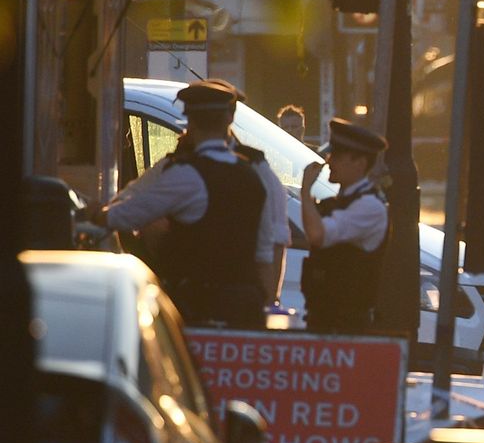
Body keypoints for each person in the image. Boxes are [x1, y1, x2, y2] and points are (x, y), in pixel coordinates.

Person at [94, 79, 272, 328]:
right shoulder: (253, 174)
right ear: (227, 122)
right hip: (245, 312)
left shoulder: (187, 175)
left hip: (199, 309)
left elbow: (126, 215)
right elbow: (266, 248)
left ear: (190, 123)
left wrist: (95, 215)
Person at [299, 118, 390, 333]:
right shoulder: (338, 202)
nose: (329, 162)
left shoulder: (369, 206)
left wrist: (305, 192)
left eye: (337, 157)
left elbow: (317, 235)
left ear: (359, 163)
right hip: (323, 318)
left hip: (348, 325)